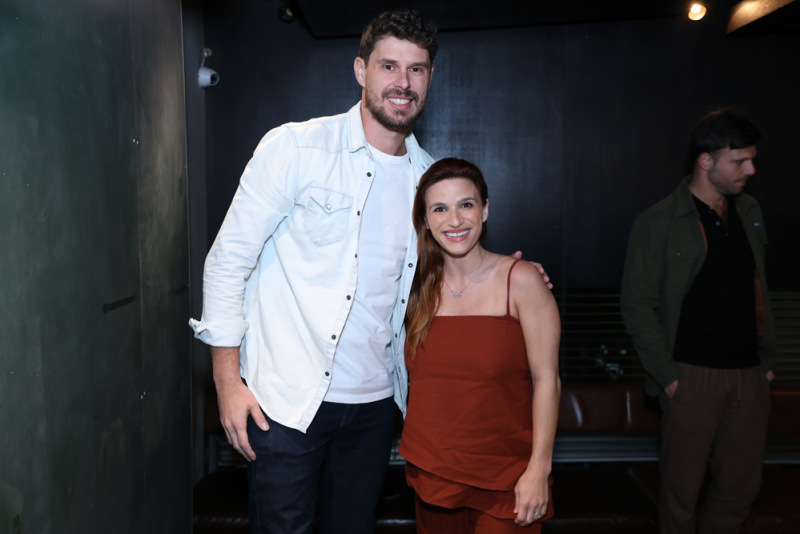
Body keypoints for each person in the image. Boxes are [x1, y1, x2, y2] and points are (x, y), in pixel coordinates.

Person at [189, 9, 550, 534]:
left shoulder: (428, 182)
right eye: (389, 66)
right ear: (361, 70)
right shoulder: (296, 148)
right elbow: (227, 262)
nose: (403, 82)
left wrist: (512, 274)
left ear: (430, 78)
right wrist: (227, 382)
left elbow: (446, 271)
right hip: (286, 402)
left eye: (417, 69)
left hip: (376, 406)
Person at [620, 108, 777, 534]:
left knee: (740, 491)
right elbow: (636, 305)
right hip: (690, 377)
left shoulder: (750, 211)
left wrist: (765, 365)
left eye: (752, 159)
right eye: (739, 161)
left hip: (749, 375)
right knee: (680, 495)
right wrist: (669, 377)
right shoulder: (659, 221)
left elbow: (758, 288)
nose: (750, 170)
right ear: (706, 161)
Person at [399, 158, 561, 534]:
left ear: (485, 210)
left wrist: (539, 468)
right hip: (433, 473)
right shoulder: (411, 287)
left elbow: (547, 381)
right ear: (425, 220)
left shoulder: (521, 280)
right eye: (440, 209)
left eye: (466, 205)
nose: (455, 220)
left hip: (507, 477)